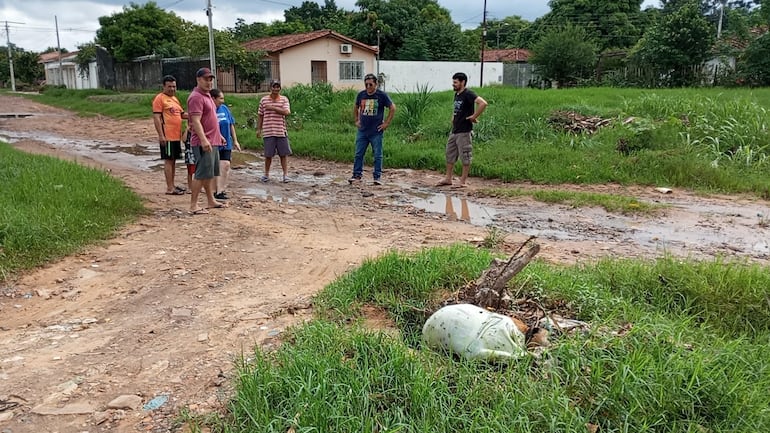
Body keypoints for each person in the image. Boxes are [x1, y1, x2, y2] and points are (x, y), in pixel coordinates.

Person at [187, 67, 227, 214]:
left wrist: (218, 135)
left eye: (210, 79)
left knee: (209, 173)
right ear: (198, 80)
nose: (209, 82)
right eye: (206, 79)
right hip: (203, 142)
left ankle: (210, 200)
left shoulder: (208, 95)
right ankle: (193, 205)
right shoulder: (196, 97)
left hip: (213, 140)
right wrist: (204, 140)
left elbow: (210, 118)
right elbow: (195, 121)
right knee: (201, 173)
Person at [437, 72, 488, 188]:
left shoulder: (468, 93)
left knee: (465, 155)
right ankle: (448, 178)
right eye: (453, 82)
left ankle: (462, 182)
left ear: (462, 82)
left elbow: (483, 103)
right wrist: (453, 118)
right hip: (455, 130)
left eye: (455, 82)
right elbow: (458, 109)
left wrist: (474, 116)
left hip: (464, 131)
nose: (453, 84)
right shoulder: (457, 95)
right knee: (450, 155)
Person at [349, 73, 396, 186]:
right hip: (363, 130)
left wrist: (386, 123)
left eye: (370, 84)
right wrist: (356, 120)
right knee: (359, 153)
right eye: (366, 84)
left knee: (377, 154)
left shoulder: (382, 95)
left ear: (376, 84)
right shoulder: (361, 95)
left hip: (376, 131)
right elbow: (356, 107)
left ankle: (377, 177)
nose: (368, 87)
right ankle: (357, 175)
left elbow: (392, 108)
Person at [152, 75, 188, 195]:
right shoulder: (159, 99)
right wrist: (161, 135)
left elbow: (182, 115)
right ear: (164, 86)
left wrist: (196, 114)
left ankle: (172, 185)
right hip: (167, 135)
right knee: (168, 160)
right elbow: (156, 118)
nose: (172, 89)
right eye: (169, 86)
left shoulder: (175, 99)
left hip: (176, 136)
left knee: (173, 161)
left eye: (174, 86)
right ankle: (169, 188)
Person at [256, 79, 291, 183]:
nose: (276, 89)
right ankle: (266, 174)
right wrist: (259, 129)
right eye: (274, 87)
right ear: (270, 88)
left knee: (283, 155)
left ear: (280, 88)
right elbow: (260, 115)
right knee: (268, 155)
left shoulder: (284, 100)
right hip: (268, 131)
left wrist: (273, 108)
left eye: (277, 87)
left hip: (280, 131)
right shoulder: (263, 100)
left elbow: (286, 112)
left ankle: (285, 175)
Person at [211, 88, 241, 200]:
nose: (222, 101)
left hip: (226, 143)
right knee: (215, 167)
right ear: (213, 98)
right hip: (214, 142)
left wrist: (235, 141)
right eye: (221, 98)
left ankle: (221, 190)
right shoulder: (209, 110)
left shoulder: (224, 109)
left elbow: (231, 125)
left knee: (225, 165)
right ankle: (214, 190)